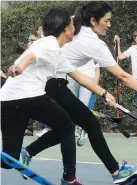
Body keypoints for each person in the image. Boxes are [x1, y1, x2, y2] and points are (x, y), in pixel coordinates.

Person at [21, 2, 137, 185]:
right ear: (94, 21)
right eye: (107, 21)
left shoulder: (75, 25)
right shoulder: (93, 42)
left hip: (51, 83)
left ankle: (44, 162)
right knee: (88, 125)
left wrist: (103, 93)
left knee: (68, 127)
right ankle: (112, 172)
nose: (109, 25)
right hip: (49, 84)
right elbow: (122, 76)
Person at [0, 7, 114, 181]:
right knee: (67, 125)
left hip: (7, 100)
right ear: (66, 29)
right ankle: (69, 179)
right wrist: (19, 67)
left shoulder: (55, 52)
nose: (75, 26)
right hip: (29, 96)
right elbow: (30, 56)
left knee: (8, 160)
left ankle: (65, 177)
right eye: (72, 23)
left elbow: (79, 76)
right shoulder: (49, 43)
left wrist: (104, 93)